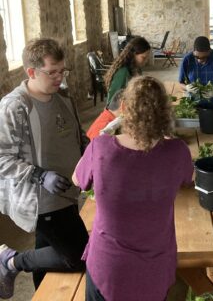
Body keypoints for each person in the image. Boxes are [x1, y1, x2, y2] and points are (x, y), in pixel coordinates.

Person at [72, 76, 194, 301]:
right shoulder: (178, 151)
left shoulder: (100, 148)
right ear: (164, 111)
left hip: (108, 265)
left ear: (124, 108)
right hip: (155, 266)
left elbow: (77, 180)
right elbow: (188, 178)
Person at [0, 38, 89, 298]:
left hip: (69, 191)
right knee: (79, 256)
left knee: (49, 254)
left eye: (63, 71)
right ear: (31, 72)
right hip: (42, 200)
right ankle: (11, 261)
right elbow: (2, 158)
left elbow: (78, 137)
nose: (60, 78)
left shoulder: (63, 98)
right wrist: (39, 175)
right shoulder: (15, 106)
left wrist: (97, 154)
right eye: (53, 72)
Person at [178, 36, 213, 104]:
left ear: (209, 51)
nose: (200, 60)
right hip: (193, 103)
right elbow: (180, 83)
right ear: (193, 51)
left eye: (204, 57)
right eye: (197, 57)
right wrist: (186, 87)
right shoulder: (187, 60)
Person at [104, 36, 151, 104]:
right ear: (134, 54)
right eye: (143, 57)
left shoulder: (137, 68)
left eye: (147, 58)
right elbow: (111, 102)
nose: (146, 61)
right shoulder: (123, 72)